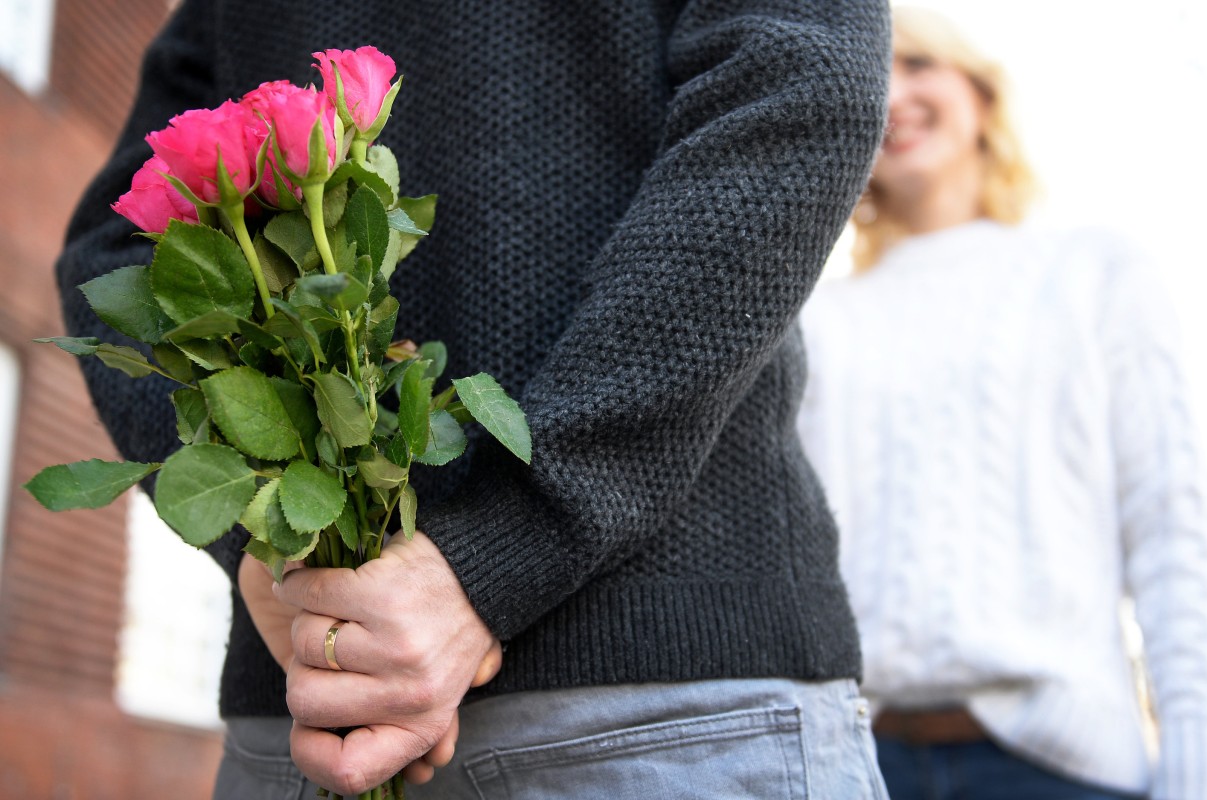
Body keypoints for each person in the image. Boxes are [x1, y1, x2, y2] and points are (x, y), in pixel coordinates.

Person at [56, 0, 894, 797]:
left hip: (639, 696)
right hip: (572, 709)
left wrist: (471, 562)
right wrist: (283, 553)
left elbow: (797, 95)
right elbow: (799, 88)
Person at [798, 7, 1207, 800]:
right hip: (861, 768)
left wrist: (1200, 774)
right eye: (874, 75)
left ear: (982, 95)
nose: (894, 95)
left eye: (922, 65)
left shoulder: (1095, 275)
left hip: (1062, 767)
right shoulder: (816, 324)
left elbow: (1174, 534)